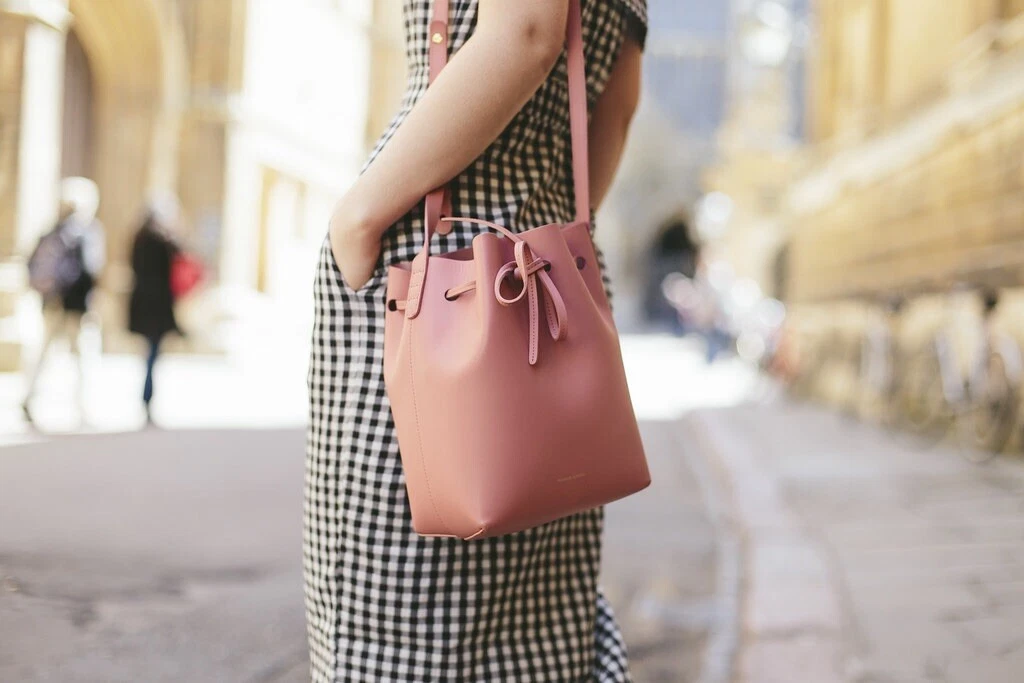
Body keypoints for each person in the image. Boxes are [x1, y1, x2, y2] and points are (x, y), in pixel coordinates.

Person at [307, 1, 647, 681]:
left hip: (442, 277)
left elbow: (525, 34)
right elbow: (615, 104)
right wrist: (552, 235)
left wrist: (358, 216)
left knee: (404, 625)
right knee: (533, 623)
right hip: (551, 277)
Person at [23, 177, 105, 425]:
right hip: (75, 307)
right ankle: (82, 407)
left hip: (53, 303)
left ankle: (29, 397)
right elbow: (91, 270)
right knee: (82, 357)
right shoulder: (87, 233)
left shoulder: (53, 231)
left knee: (45, 352)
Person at [128, 199, 181, 425]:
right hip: (156, 305)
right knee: (152, 355)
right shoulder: (160, 241)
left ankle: (147, 399)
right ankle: (147, 399)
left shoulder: (138, 238)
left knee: (150, 354)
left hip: (142, 303)